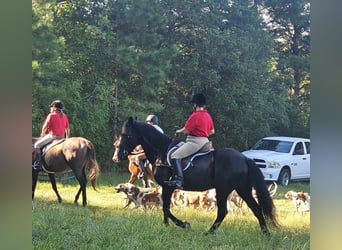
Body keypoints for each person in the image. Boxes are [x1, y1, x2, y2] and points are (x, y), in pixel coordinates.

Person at [165, 93, 215, 189]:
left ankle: (178, 180)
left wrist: (178, 131)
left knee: (175, 155)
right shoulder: (208, 115)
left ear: (195, 104)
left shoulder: (195, 115)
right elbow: (212, 131)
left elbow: (187, 130)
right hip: (206, 141)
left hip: (195, 142)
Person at [32, 100, 70, 170]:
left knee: (36, 145)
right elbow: (67, 129)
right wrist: (67, 138)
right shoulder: (64, 116)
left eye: (51, 107)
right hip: (62, 137)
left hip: (53, 136)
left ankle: (38, 163)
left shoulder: (51, 115)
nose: (50, 108)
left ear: (55, 108)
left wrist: (42, 135)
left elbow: (45, 127)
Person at [132, 114, 164, 180]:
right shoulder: (159, 129)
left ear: (151, 122)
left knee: (137, 157)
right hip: (161, 150)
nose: (147, 123)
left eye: (148, 122)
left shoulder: (151, 129)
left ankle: (143, 174)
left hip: (154, 151)